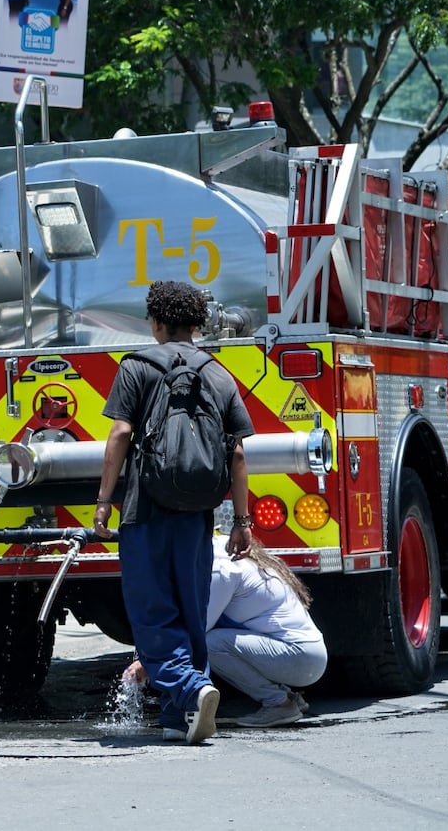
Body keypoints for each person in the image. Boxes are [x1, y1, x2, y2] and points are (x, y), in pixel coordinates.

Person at [93, 280, 255, 745]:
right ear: (198, 323)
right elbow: (238, 455)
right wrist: (241, 524)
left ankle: (192, 687)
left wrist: (105, 500)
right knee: (190, 610)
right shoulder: (222, 376)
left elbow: (121, 433)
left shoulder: (137, 367)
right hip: (198, 513)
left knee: (151, 611)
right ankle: (177, 718)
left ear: (157, 323)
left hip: (146, 510)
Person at [124, 536, 327, 729]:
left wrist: (147, 663)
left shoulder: (220, 570)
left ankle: (279, 704)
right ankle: (288, 698)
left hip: (302, 658)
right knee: (216, 639)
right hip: (303, 655)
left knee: (210, 643)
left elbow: (196, 631)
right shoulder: (221, 552)